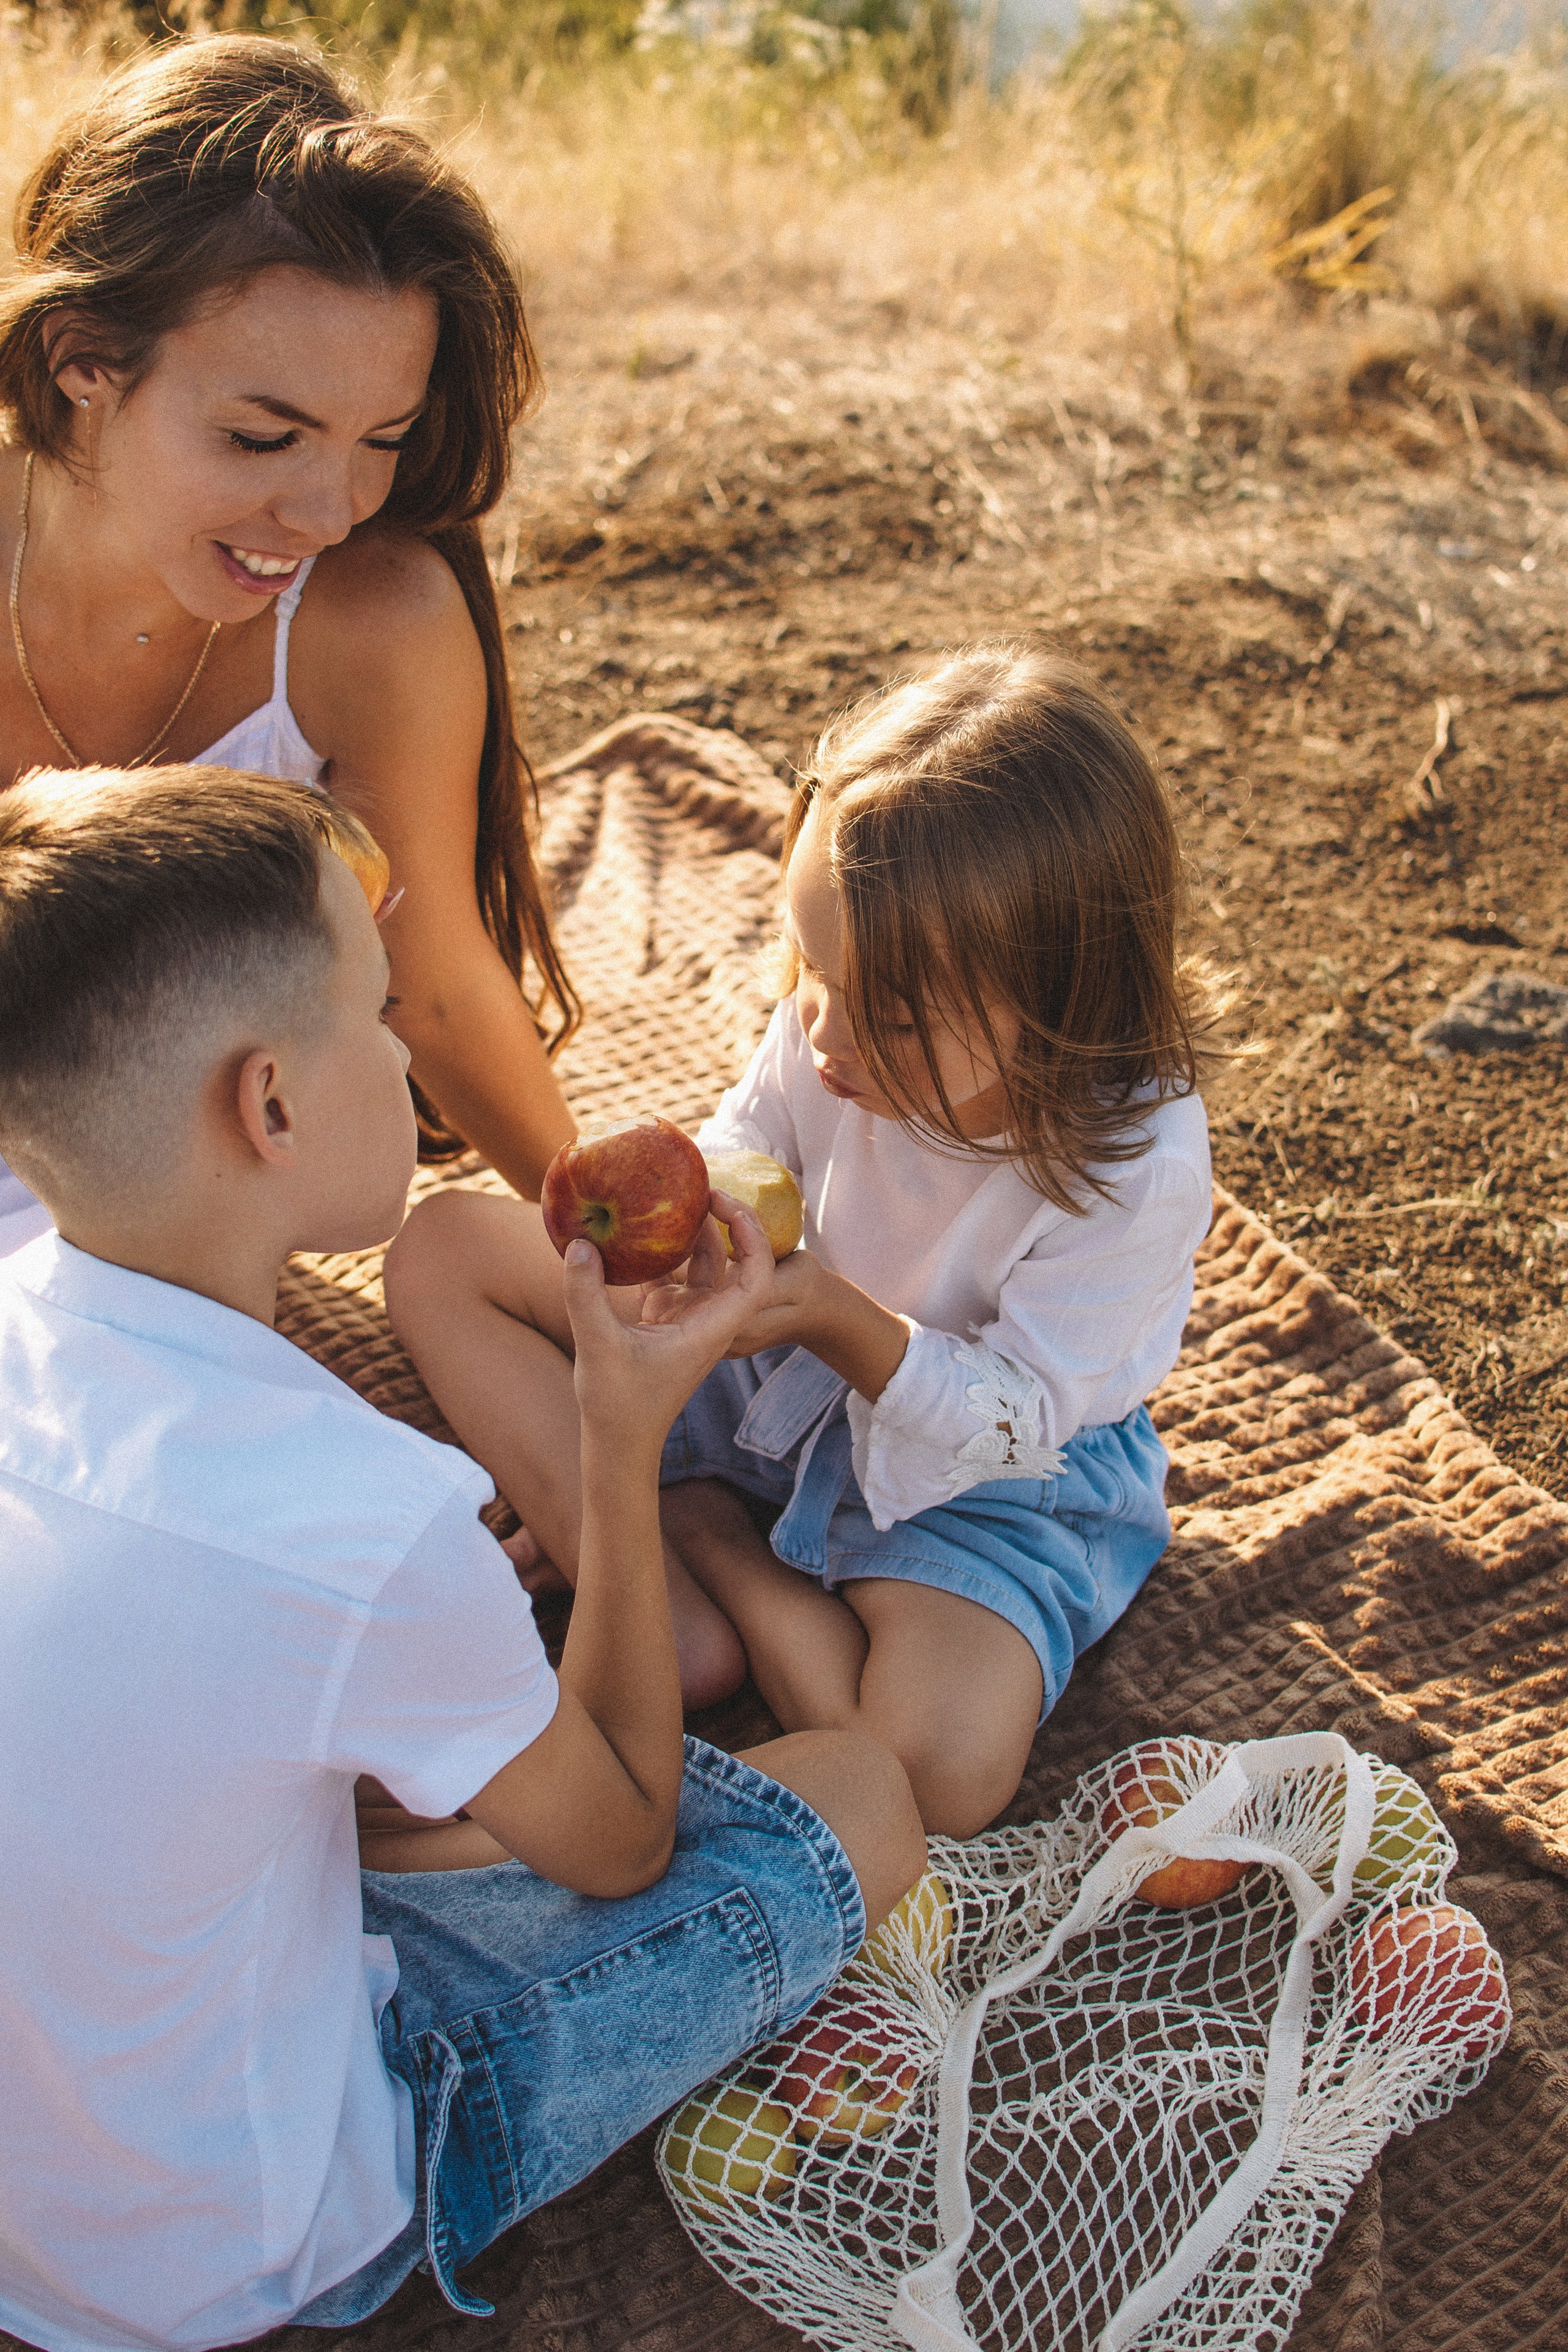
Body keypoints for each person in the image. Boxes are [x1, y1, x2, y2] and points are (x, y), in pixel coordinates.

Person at [0, 764, 924, 2352]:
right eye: (377, 1013)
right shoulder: (360, 1517)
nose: (410, 1050)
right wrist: (620, 1439)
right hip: (240, 2246)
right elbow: (621, 1842)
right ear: (271, 1104)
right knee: (862, 1800)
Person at [386, 643, 1218, 1835]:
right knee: (441, 1255)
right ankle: (655, 1597)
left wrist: (833, 1316)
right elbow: (755, 1134)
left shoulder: (1128, 1166)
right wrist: (696, 1244)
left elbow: (1017, 1416)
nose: (823, 1035)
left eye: (888, 1018)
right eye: (809, 969)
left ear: (1059, 1004)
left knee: (933, 1773)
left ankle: (712, 1549)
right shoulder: (835, 1024)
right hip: (769, 1363)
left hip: (975, 1471)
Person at [0, 32, 578, 1264]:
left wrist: (608, 1234)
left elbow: (433, 985)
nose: (328, 514)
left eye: (382, 436)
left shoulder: (373, 620)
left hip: (156, 1253)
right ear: (85, 360)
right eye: (266, 438)